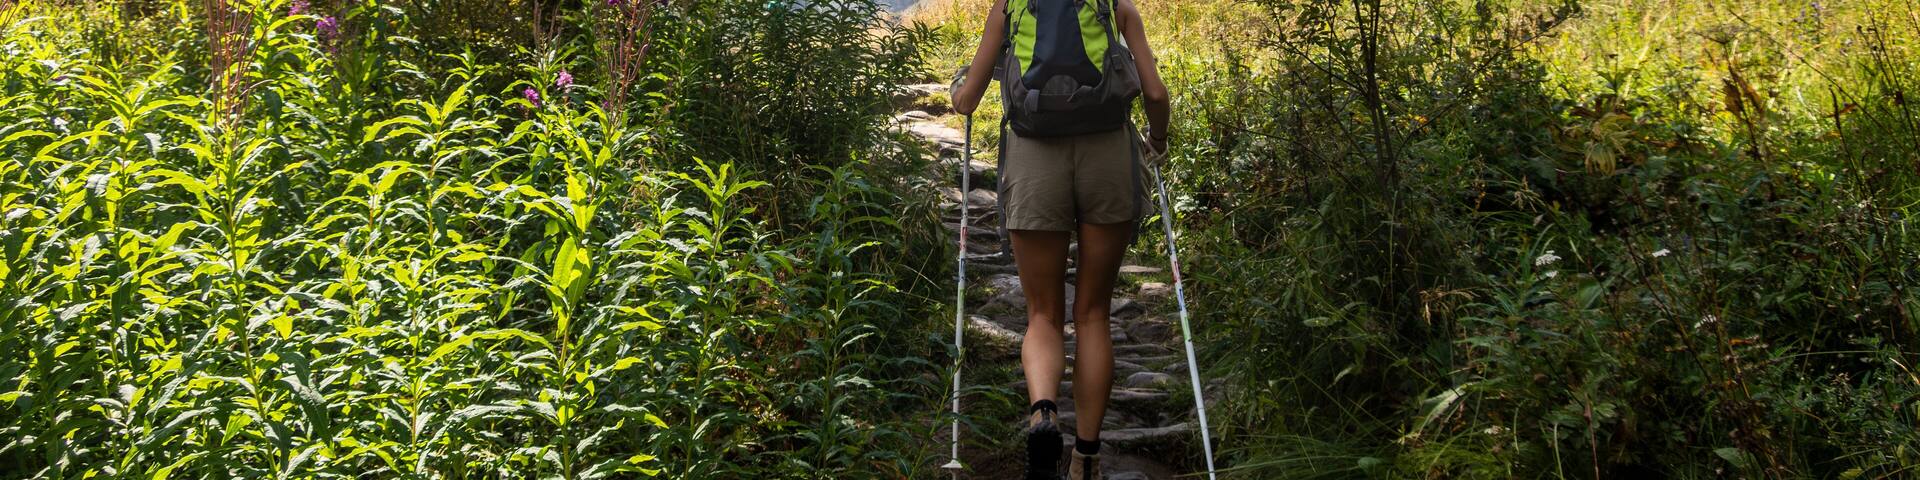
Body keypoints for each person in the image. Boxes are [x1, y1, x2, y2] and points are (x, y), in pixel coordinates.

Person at [951, 0, 1169, 477]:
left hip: (1034, 159)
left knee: (1043, 314)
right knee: (1093, 312)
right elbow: (1154, 91)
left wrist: (956, 90)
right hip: (1108, 155)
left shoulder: (1009, 7)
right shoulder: (1117, 7)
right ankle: (1086, 457)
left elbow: (968, 100)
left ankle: (1043, 413)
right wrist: (1159, 138)